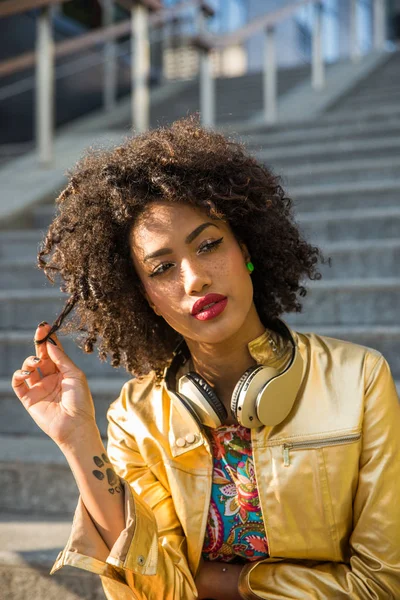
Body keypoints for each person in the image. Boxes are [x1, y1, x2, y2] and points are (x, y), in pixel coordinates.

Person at [11, 116, 400, 600]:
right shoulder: (136, 417)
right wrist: (77, 437)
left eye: (209, 244)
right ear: (147, 298)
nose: (194, 279)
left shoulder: (358, 379)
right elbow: (152, 589)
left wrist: (228, 581)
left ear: (246, 247)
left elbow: (382, 584)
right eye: (163, 268)